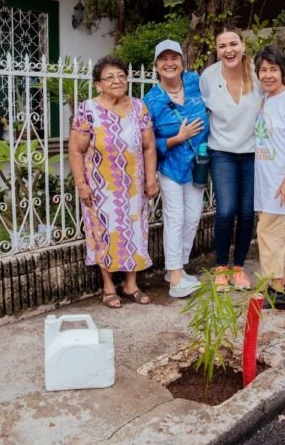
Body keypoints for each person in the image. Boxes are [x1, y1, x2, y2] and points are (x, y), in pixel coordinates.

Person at [68, 55, 159, 309]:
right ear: (98, 84)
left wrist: (151, 178)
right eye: (110, 77)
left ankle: (131, 284)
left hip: (134, 185)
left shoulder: (138, 108)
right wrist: (81, 183)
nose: (117, 81)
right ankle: (108, 287)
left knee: (134, 232)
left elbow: (149, 146)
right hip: (100, 186)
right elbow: (76, 149)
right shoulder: (88, 110)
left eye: (121, 76)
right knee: (102, 233)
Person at [144, 40, 209, 298]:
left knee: (193, 217)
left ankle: (176, 269)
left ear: (183, 62)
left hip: (199, 164)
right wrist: (177, 138)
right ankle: (175, 277)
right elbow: (146, 141)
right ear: (156, 66)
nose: (169, 63)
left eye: (174, 58)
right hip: (170, 165)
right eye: (163, 59)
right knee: (175, 217)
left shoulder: (195, 83)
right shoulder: (152, 99)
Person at [199, 26, 263, 290]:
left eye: (233, 44)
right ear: (216, 50)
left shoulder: (257, 73)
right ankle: (220, 267)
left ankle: (238, 267)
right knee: (225, 210)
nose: (229, 50)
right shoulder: (208, 76)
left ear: (243, 45)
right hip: (221, 151)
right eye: (222, 46)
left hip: (252, 153)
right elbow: (203, 111)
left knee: (247, 212)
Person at [253, 46, 285, 310]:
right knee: (278, 236)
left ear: (283, 71)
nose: (268, 75)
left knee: (267, 233)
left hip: (280, 181)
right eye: (263, 70)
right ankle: (283, 287)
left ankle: (274, 292)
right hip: (266, 180)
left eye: (273, 69)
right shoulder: (265, 99)